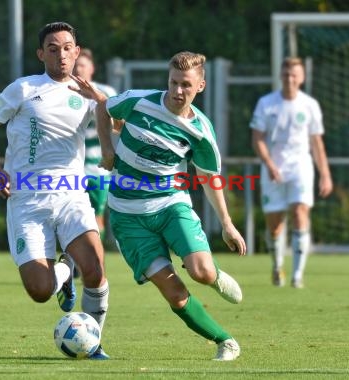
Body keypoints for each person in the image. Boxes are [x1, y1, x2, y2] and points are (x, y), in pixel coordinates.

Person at [71, 51, 247, 361]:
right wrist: (108, 150)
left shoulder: (201, 131)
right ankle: (225, 340)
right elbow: (103, 108)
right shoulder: (139, 101)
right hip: (127, 217)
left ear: (201, 86)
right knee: (174, 293)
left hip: (170, 205)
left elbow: (208, 178)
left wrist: (228, 224)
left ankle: (215, 276)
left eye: (186, 85)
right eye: (174, 83)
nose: (178, 91)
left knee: (202, 273)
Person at [0, 21, 110, 359]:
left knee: (95, 266)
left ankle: (93, 345)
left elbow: (120, 125)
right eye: (53, 48)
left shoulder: (89, 94)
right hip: (27, 199)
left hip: (71, 194)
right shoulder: (23, 89)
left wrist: (102, 101)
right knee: (39, 290)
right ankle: (64, 274)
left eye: (67, 48)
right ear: (41, 54)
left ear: (76, 52)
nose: (61, 54)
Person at [250, 57, 333, 289]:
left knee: (300, 212)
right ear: (280, 76)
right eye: (286, 74)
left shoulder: (310, 105)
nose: (290, 79)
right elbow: (257, 139)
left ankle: (297, 275)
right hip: (273, 169)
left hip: (301, 168)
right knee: (275, 224)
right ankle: (277, 267)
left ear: (302, 77)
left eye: (294, 74)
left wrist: (325, 174)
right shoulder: (266, 103)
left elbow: (317, 142)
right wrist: (269, 164)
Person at [73, 48, 118, 242]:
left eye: (82, 65)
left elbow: (118, 125)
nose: (78, 69)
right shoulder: (63, 91)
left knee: (95, 218)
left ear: (92, 68)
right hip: (72, 168)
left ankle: (92, 262)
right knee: (73, 218)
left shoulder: (105, 92)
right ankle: (74, 263)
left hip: (97, 169)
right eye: (75, 65)